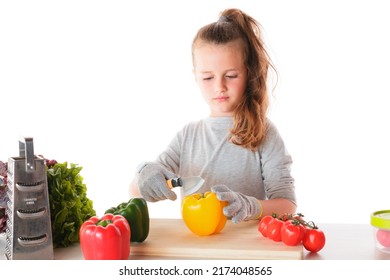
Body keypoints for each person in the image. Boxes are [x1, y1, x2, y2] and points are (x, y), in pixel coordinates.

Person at [129, 8, 296, 224]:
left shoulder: (264, 133)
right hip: (198, 250)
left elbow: (288, 206)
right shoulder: (187, 136)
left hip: (246, 250)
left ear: (249, 73)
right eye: (208, 77)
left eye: (231, 75)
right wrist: (145, 173)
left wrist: (251, 206)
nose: (220, 87)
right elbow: (134, 190)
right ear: (196, 77)